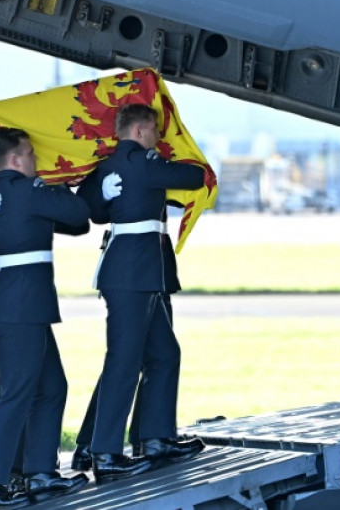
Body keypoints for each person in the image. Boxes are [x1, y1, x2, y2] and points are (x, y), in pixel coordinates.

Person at [74, 103, 208, 483]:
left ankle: (156, 438)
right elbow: (194, 177)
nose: (159, 138)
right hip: (135, 273)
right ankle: (105, 452)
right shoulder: (142, 162)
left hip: (137, 272)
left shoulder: (107, 166)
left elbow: (91, 210)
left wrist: (101, 188)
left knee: (164, 353)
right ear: (139, 131)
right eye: (154, 131)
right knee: (125, 360)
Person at [0, 126, 90, 507]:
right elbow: (80, 214)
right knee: (16, 393)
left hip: (20, 306)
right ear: (16, 159)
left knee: (52, 388)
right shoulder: (30, 191)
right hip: (21, 308)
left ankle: (39, 474)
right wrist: (62, 185)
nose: (37, 161)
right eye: (32, 155)